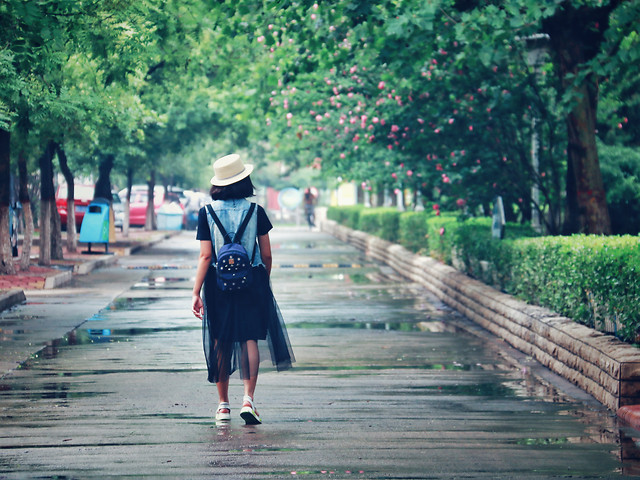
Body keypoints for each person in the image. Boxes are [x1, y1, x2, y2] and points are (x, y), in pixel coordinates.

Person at [191, 153, 294, 424]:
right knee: (250, 338)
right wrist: (262, 280)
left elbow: (205, 256)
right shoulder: (256, 211)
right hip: (251, 282)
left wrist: (195, 291)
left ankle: (222, 406)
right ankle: (248, 400)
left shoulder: (207, 213)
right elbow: (267, 254)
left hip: (217, 284)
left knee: (220, 340)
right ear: (244, 180)